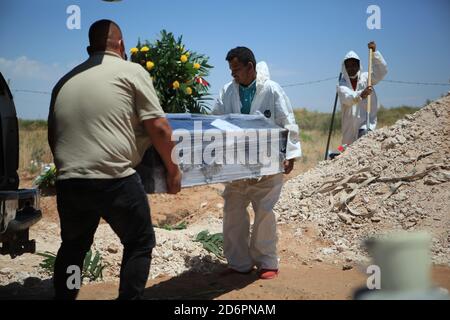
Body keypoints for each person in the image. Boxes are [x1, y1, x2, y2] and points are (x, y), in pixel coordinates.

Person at [47, 19, 181, 300]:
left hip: (70, 182)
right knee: (139, 241)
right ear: (121, 46)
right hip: (115, 181)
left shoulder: (64, 81)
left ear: (89, 48)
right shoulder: (131, 71)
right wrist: (173, 170)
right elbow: (159, 128)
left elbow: (53, 135)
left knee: (74, 246)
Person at [212, 47, 302, 280]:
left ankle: (267, 262)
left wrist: (290, 153)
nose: (233, 74)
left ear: (250, 67)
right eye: (231, 70)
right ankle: (239, 263)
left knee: (264, 213)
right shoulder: (226, 91)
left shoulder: (272, 89)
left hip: (268, 164)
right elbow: (216, 121)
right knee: (233, 212)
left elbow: (287, 120)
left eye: (237, 69)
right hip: (236, 165)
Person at [337, 41, 388, 145]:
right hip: (349, 126)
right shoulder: (342, 84)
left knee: (363, 137)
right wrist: (361, 94)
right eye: (349, 66)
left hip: (366, 122)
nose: (352, 68)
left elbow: (381, 72)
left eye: (354, 65)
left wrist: (374, 53)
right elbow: (347, 97)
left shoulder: (367, 79)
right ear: (345, 67)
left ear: (358, 66)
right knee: (345, 147)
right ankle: (334, 154)